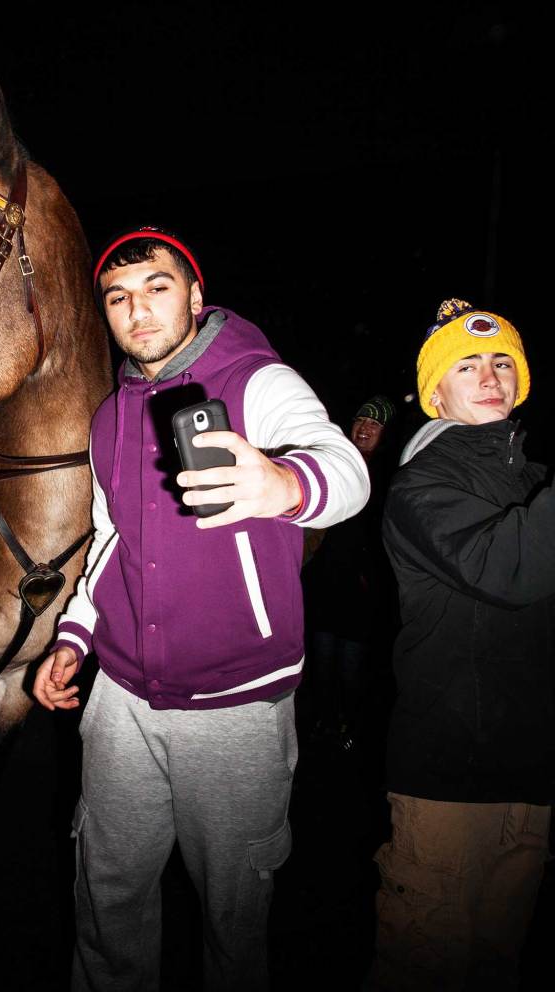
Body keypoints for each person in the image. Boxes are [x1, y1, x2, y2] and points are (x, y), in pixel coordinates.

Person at [33, 227, 369, 990]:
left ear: (193, 294)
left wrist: (286, 485)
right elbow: (109, 538)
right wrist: (74, 638)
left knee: (234, 918)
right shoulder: (109, 417)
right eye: (118, 298)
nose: (137, 310)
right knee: (107, 897)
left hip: (236, 710)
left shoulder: (257, 380)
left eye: (156, 288)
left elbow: (343, 468)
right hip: (118, 703)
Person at [369, 298, 554, 990]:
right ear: (435, 392)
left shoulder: (535, 482)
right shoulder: (423, 486)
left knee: (494, 965)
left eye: (502, 361)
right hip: (448, 780)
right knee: (425, 963)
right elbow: (509, 567)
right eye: (466, 364)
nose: (489, 374)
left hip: (532, 775)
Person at [304, 394, 395, 750]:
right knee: (322, 657)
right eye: (361, 420)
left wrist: (374, 579)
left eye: (375, 424)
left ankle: (348, 724)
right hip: (324, 583)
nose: (365, 428)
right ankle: (324, 720)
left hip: (362, 592)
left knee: (352, 664)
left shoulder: (390, 477)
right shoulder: (335, 462)